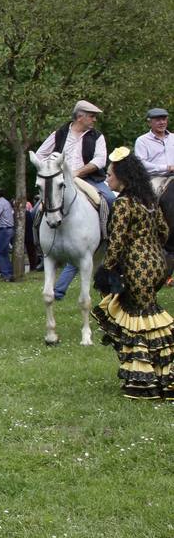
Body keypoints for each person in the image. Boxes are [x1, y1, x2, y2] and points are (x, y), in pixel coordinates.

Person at [91, 146, 174, 400]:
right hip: (157, 265)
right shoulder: (149, 200)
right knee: (149, 315)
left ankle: (143, 381)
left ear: (123, 177)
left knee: (138, 321)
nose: (108, 178)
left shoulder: (124, 203)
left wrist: (107, 269)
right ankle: (164, 374)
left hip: (137, 267)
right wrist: (151, 249)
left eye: (110, 174)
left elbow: (116, 242)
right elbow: (163, 232)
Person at [134, 108, 173, 195]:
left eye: (164, 119)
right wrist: (167, 167)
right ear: (149, 123)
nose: (162, 122)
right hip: (155, 177)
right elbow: (141, 164)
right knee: (152, 196)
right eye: (158, 120)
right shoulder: (142, 140)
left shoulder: (173, 138)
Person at [0, 189, 16, 281]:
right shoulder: (6, 202)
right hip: (8, 229)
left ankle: (6, 275)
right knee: (4, 253)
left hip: (3, 229)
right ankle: (9, 272)